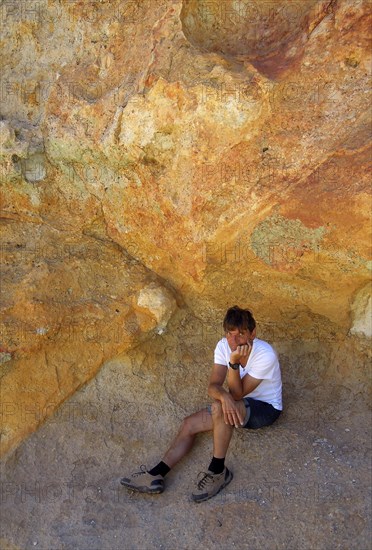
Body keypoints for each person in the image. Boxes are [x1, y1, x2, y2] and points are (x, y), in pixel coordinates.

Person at [120, 305, 282, 502]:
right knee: (190, 424)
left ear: (253, 333)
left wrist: (233, 364)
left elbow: (237, 393)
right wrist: (223, 396)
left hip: (265, 408)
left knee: (219, 409)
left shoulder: (265, 354)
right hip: (236, 402)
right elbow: (213, 386)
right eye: (230, 334)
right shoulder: (223, 346)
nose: (234, 340)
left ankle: (218, 471)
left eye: (241, 334)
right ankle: (156, 474)